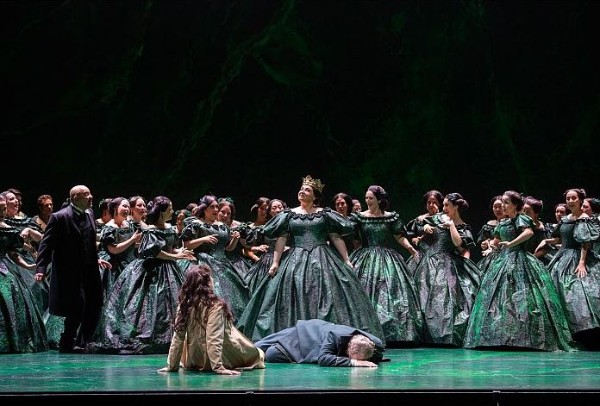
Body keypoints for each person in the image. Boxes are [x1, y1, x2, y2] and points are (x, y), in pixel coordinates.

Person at [236, 175, 384, 343]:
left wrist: (346, 260)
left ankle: (329, 335)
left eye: (307, 190)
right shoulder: (289, 214)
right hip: (295, 258)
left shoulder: (325, 214)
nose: (302, 191)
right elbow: (282, 239)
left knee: (328, 293)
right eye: (301, 189)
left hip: (323, 257)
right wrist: (276, 262)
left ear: (315, 196)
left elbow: (335, 237)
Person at [464, 190, 576, 351]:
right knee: (499, 298)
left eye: (506, 203)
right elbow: (496, 241)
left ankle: (525, 337)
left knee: (523, 297)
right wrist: (490, 247)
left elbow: (528, 232)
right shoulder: (503, 223)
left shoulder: (521, 218)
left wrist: (511, 244)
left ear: (515, 205)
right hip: (503, 261)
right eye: (502, 202)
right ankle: (500, 335)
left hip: (520, 259)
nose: (503, 205)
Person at [87, 195, 196, 355]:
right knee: (149, 304)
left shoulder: (170, 228)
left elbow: (171, 248)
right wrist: (175, 257)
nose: (172, 211)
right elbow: (154, 252)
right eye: (170, 208)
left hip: (170, 270)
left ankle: (177, 335)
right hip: (152, 270)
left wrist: (181, 252)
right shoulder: (151, 230)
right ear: (162, 211)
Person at [34, 185, 112, 353]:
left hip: (89, 269)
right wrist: (40, 268)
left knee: (94, 303)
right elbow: (46, 245)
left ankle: (83, 340)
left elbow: (88, 241)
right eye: (86, 194)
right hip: (69, 271)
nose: (91, 197)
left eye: (90, 193)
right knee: (76, 305)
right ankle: (67, 342)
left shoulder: (89, 214)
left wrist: (96, 258)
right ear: (76, 198)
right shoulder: (59, 217)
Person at [349, 185, 423, 346]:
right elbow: (354, 238)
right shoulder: (360, 217)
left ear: (379, 200)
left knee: (391, 291)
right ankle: (366, 330)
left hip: (386, 257)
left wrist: (411, 249)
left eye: (371, 198)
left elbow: (399, 236)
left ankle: (393, 333)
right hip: (365, 255)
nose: (367, 201)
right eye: (366, 198)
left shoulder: (390, 217)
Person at [158, 264, 265, 375]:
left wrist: (172, 365)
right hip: (214, 359)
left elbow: (178, 337)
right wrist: (218, 367)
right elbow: (213, 337)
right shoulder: (215, 306)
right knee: (258, 355)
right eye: (211, 277)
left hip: (194, 359)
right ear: (208, 283)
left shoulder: (185, 305)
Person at [411, 192, 481, 347]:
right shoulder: (438, 218)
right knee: (425, 296)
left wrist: (451, 226)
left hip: (448, 262)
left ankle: (445, 336)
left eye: (447, 205)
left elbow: (458, 244)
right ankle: (424, 335)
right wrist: (425, 226)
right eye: (443, 205)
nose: (444, 208)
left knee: (447, 298)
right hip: (430, 262)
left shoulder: (462, 226)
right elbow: (420, 223)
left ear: (455, 207)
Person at [535, 188, 600, 350]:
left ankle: (583, 331)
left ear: (580, 200)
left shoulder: (584, 219)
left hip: (577, 256)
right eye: (568, 199)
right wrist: (547, 241)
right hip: (561, 256)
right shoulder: (565, 219)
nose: (570, 201)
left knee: (576, 291)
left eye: (573, 198)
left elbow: (585, 243)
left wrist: (582, 262)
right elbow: (559, 239)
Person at [0, 193, 48, 353]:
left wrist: (27, 265)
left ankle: (14, 341)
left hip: (5, 268)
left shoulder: (8, 229)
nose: (2, 212)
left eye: (4, 209)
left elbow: (12, 252)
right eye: (0, 209)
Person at [254, 318, 386, 367]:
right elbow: (324, 358)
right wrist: (355, 363)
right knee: (258, 346)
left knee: (271, 354)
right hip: (307, 330)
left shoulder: (376, 345)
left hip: (308, 343)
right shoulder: (335, 336)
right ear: (349, 346)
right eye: (350, 355)